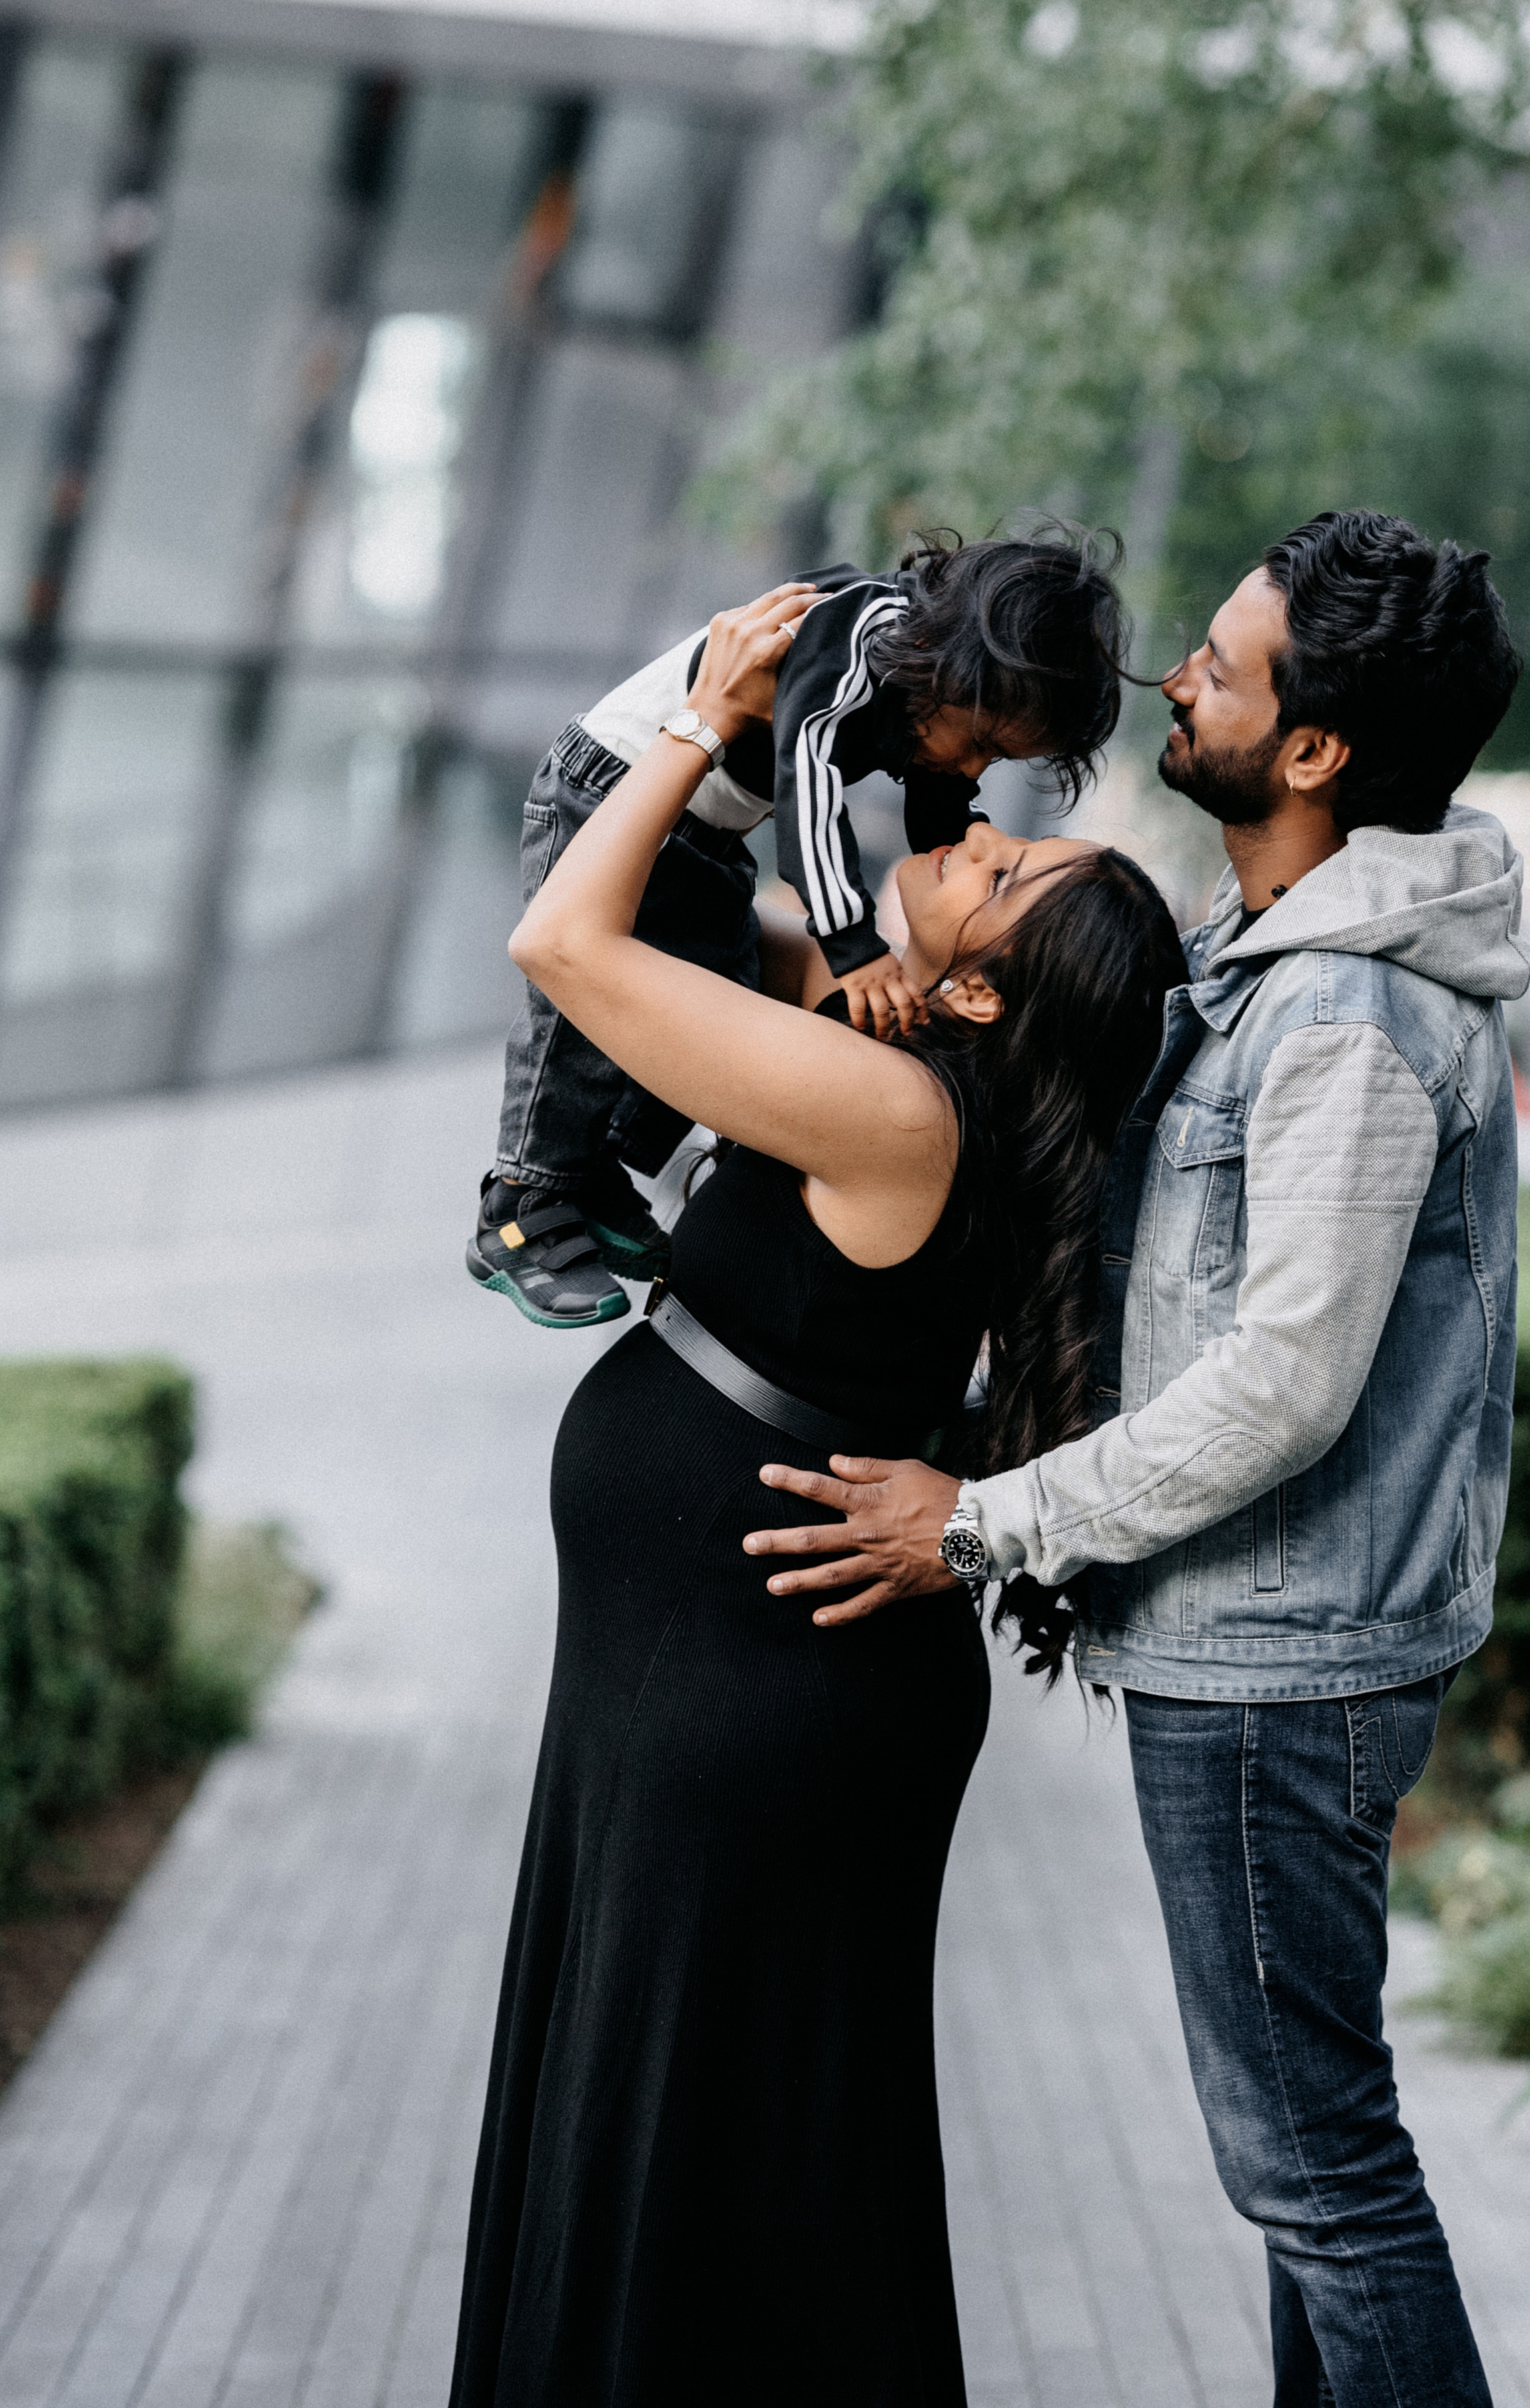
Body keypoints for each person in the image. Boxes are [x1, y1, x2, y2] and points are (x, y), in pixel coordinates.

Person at [748, 511, 1529, 2406]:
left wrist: (983, 1527)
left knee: (1318, 2172)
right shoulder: (1272, 955)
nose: (1175, 675)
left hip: (1282, 1667)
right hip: (1265, 1652)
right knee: (1307, 2174)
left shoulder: (1346, 1012)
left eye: (1222, 663)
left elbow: (1283, 1387)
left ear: (1316, 752)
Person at [449, 582, 1187, 2408]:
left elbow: (568, 938)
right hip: (723, 1686)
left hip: (750, 1704)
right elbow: (716, 925)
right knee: (714, 2134)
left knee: (708, 2144)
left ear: (977, 986)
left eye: (1009, 879)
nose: (975, 842)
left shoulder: (896, 1116)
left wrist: (702, 718)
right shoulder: (900, 1068)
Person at [467, 531, 1128, 1329]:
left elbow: (935, 794)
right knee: (578, 1017)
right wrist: (854, 943)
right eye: (983, 744)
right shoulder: (856, 638)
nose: (977, 775)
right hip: (612, 782)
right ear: (948, 661)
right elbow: (806, 784)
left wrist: (947, 842)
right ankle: (522, 1200)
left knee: (716, 976)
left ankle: (591, 1165)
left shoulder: (929, 691)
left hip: (702, 829)